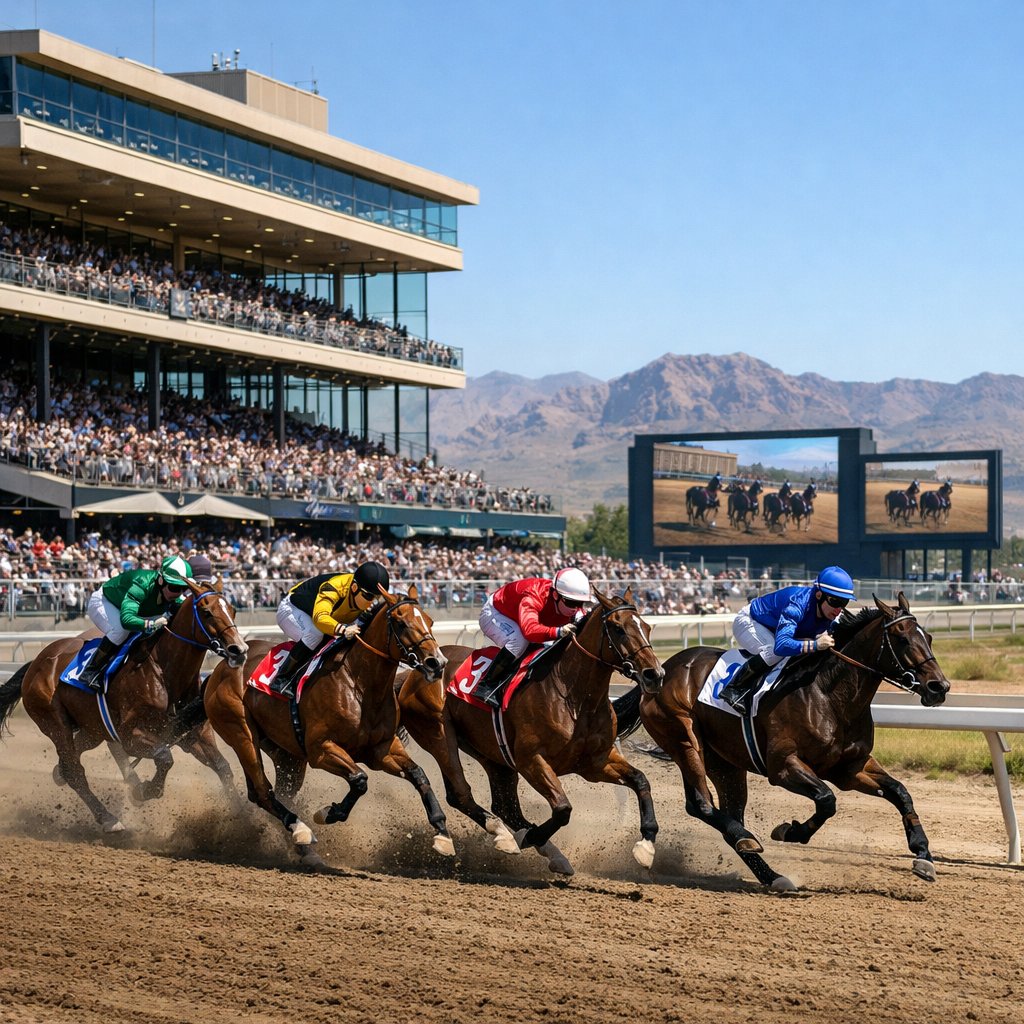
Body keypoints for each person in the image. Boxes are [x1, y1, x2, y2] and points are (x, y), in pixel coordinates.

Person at [719, 565, 855, 714]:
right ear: (818, 595)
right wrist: (815, 645)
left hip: (774, 628)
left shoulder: (832, 613)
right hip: (750, 622)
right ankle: (734, 687)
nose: (839, 609)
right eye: (835, 601)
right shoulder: (796, 605)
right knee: (773, 651)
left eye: (844, 603)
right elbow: (781, 645)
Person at [475, 566, 593, 705]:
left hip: (522, 618)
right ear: (555, 595)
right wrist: (558, 631)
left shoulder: (572, 606)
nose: (575, 608)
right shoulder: (533, 596)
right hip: (496, 613)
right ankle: (487, 685)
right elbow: (530, 631)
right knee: (519, 640)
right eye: (571, 602)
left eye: (580, 603)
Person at [274, 561, 391, 698]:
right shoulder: (334, 587)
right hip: (292, 610)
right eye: (369, 596)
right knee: (316, 634)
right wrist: (342, 629)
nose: (372, 602)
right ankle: (281, 679)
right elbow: (320, 618)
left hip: (320, 617)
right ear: (354, 588)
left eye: (377, 598)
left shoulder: (361, 596)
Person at [80, 554, 194, 692]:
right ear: (160, 580)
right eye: (175, 588)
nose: (179, 593)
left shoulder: (171, 592)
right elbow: (127, 619)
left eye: (184, 588)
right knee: (120, 631)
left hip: (138, 610)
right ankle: (90, 671)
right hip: (107, 602)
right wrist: (151, 624)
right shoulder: (141, 584)